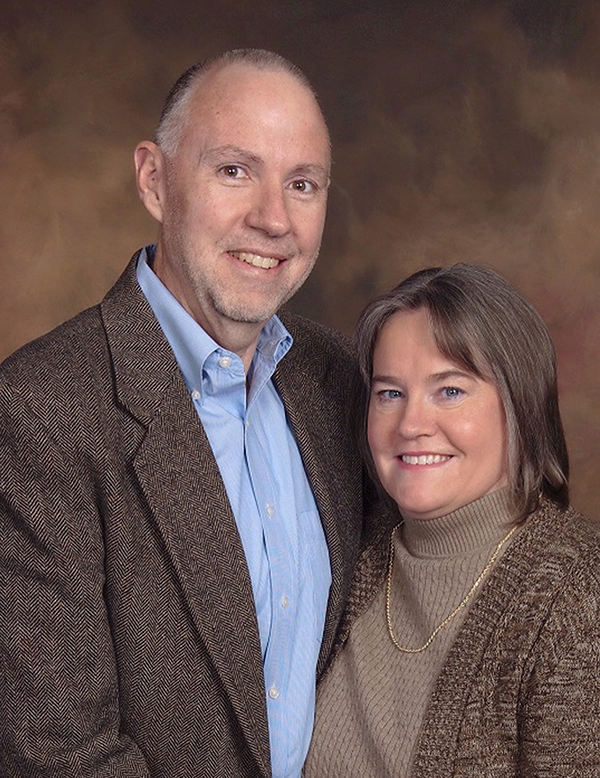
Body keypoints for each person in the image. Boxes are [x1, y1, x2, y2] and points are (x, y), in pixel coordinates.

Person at [0, 49, 364, 778]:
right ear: (154, 179)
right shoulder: (39, 412)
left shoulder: (340, 381)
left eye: (302, 183)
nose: (273, 219)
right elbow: (58, 755)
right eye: (234, 170)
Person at [304, 263, 600, 777]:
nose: (412, 425)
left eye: (450, 391)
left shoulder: (576, 594)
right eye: (390, 394)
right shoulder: (354, 544)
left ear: (519, 404)